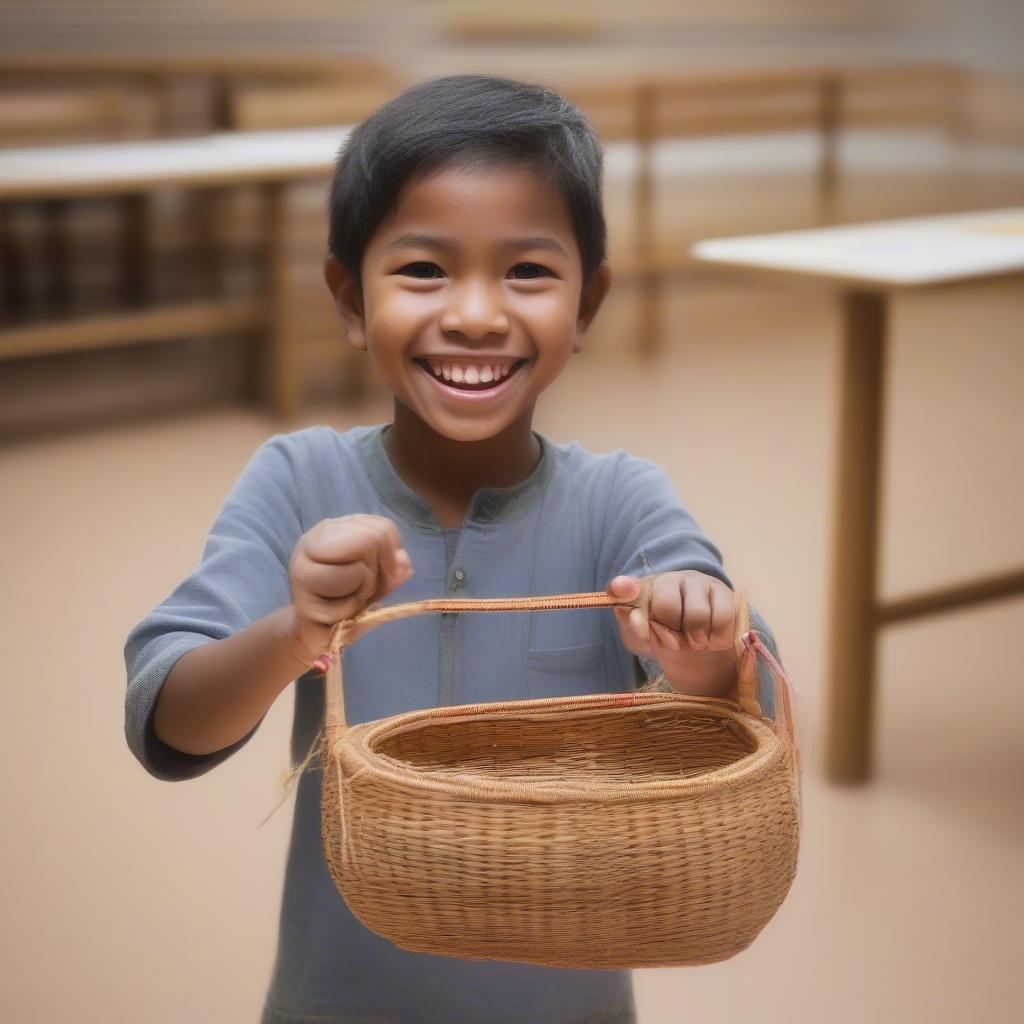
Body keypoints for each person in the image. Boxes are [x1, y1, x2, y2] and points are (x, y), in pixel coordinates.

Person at [124, 74, 785, 1024]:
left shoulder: (621, 500)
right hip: (338, 1000)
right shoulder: (297, 480)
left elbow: (745, 695)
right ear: (349, 301)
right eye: (424, 270)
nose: (476, 313)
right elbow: (168, 721)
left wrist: (703, 647)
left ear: (588, 306)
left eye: (528, 271)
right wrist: (292, 631)